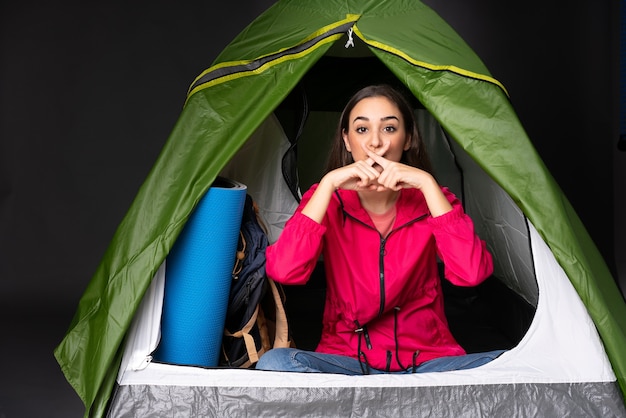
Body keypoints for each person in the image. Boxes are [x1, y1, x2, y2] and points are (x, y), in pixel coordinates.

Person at [256, 85, 503, 375]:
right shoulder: (327, 200)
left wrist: (426, 183)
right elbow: (285, 270)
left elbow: (471, 273)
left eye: (389, 128)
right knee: (276, 364)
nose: (375, 142)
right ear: (346, 141)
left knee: (513, 366)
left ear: (408, 139)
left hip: (427, 361)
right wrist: (327, 184)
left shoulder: (434, 198)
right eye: (362, 130)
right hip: (349, 361)